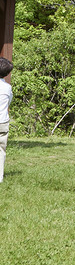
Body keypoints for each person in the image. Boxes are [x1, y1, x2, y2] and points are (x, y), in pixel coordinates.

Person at [0, 56, 12, 184]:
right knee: (1, 150)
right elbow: (9, 101)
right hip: (2, 122)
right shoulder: (7, 87)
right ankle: (0, 177)